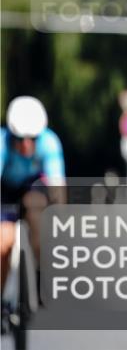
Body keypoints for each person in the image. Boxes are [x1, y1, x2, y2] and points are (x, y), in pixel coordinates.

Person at [1, 96, 66, 294]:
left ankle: (41, 267)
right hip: (5, 191)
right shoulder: (2, 144)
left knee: (39, 211)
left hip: (32, 189)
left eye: (33, 138)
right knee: (3, 242)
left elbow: (57, 187)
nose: (27, 145)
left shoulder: (50, 142)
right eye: (20, 139)